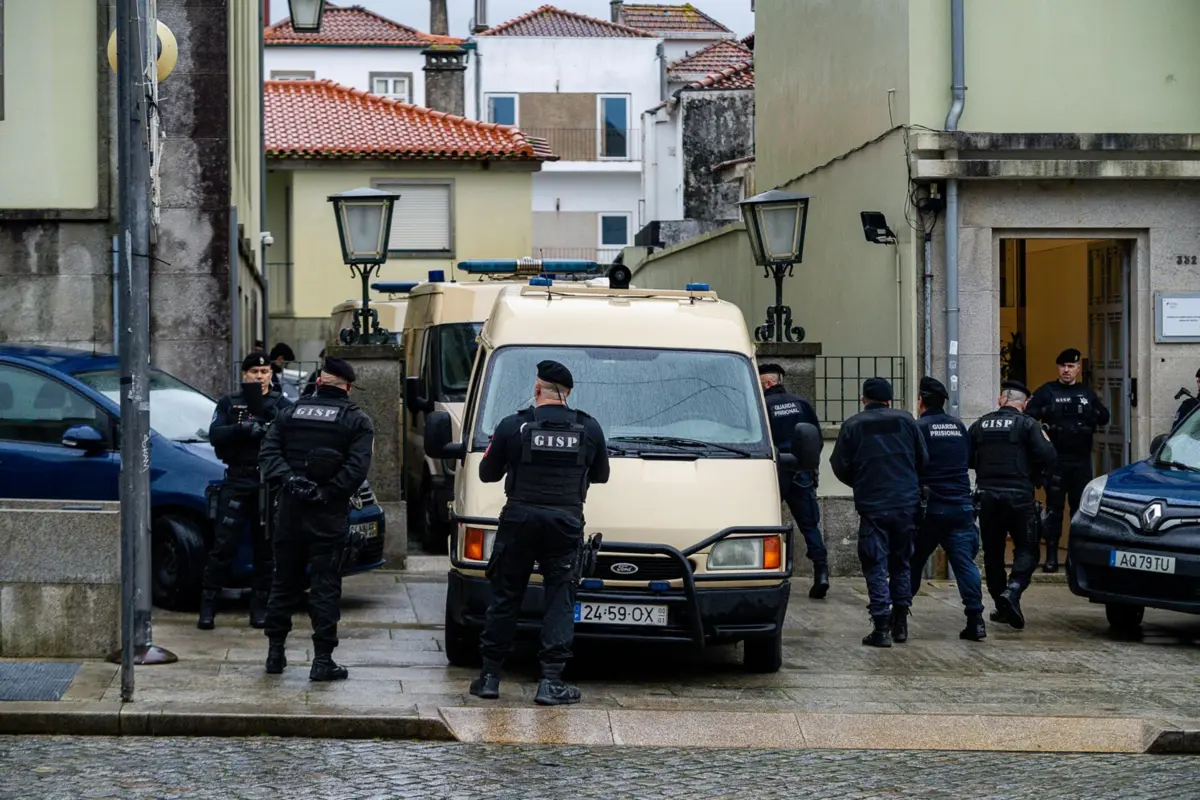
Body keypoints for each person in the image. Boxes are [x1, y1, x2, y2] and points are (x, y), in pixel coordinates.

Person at [469, 360, 610, 705]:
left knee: (506, 596)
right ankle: (550, 682)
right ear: (570, 393)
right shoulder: (588, 428)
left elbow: (487, 473)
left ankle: (489, 678)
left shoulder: (513, 426)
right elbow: (602, 474)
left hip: (518, 520)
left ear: (536, 389)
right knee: (559, 599)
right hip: (564, 522)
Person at [259, 357, 374, 681]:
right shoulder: (357, 420)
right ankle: (322, 661)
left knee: (283, 583)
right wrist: (326, 493)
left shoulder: (290, 412)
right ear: (347, 387)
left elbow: (269, 454)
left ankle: (275, 654)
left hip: (291, 511)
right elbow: (357, 468)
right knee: (325, 586)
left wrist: (290, 481)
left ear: (319, 381)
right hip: (327, 514)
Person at [830, 377, 927, 647]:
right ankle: (901, 624)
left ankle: (881, 627)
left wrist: (862, 483)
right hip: (906, 503)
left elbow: (839, 465)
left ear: (863, 400)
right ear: (890, 400)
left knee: (875, 563)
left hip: (873, 506)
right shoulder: (906, 420)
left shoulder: (853, 425)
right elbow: (923, 459)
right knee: (902, 563)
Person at [198, 351, 291, 631]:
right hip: (238, 480)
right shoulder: (230, 403)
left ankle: (259, 606)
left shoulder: (281, 403)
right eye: (254, 372)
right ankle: (208, 605)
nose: (260, 377)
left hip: (268, 483)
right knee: (223, 544)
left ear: (271, 375)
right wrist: (242, 429)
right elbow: (215, 434)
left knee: (266, 548)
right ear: (245, 375)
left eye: (264, 373)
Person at [968, 380, 1057, 630]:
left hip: (987, 497)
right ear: (1025, 403)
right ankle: (1013, 591)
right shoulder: (1029, 425)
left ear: (1000, 400)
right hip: (1019, 497)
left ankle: (1001, 604)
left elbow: (967, 458)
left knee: (993, 554)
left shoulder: (980, 424)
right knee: (1028, 549)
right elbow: (1049, 456)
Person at [909, 376, 986, 642]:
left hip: (929, 509)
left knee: (913, 562)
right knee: (965, 564)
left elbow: (913, 464)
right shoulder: (958, 427)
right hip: (960, 507)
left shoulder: (918, 428)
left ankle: (898, 620)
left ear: (921, 401)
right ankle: (976, 620)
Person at [1025, 348, 1109, 572]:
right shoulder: (1047, 391)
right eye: (1063, 366)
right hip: (1056, 460)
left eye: (1071, 366)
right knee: (1054, 509)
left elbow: (1104, 416)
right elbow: (1028, 416)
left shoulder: (1086, 392)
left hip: (1080, 460)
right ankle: (1051, 557)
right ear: (1058, 368)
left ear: (1078, 369)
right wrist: (1047, 411)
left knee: (1079, 510)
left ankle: (1074, 557)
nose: (1066, 370)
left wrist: (1089, 413)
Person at [758, 363, 828, 599]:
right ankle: (821, 574)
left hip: (772, 474)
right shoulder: (802, 404)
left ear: (767, 383)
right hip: (801, 472)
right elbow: (816, 437)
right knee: (809, 525)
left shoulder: (761, 405)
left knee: (763, 526)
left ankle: (761, 575)